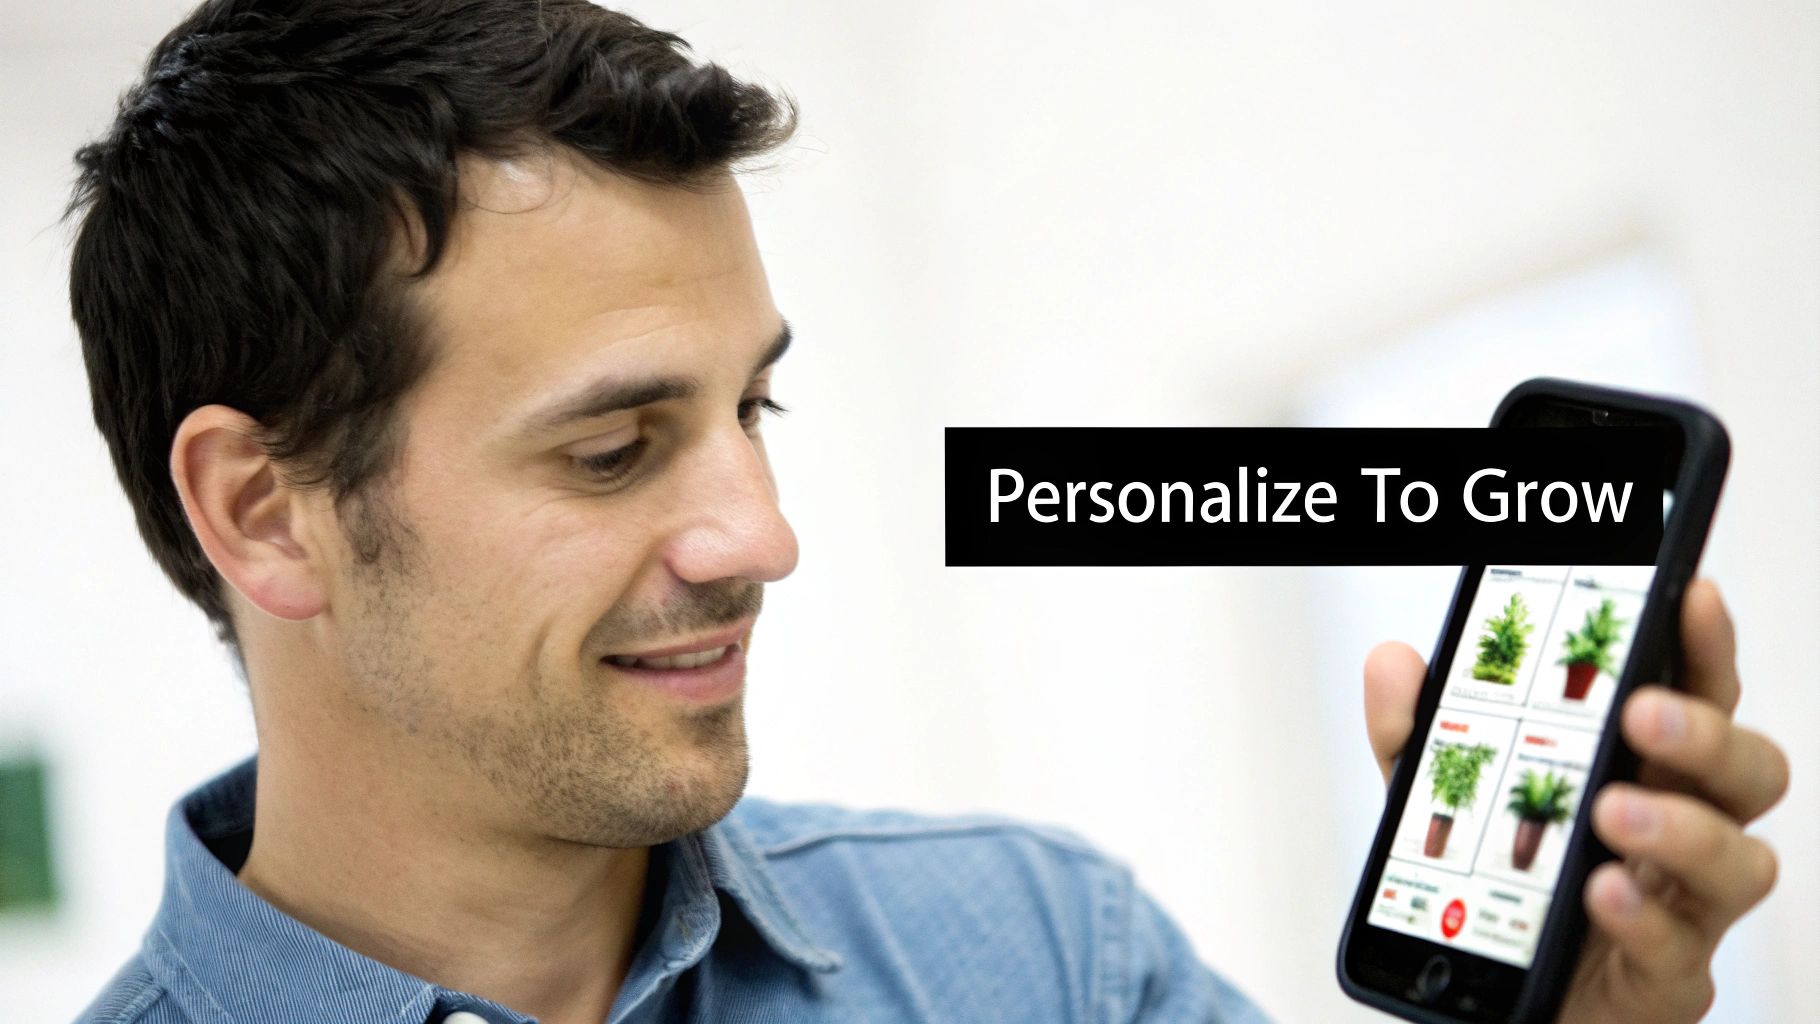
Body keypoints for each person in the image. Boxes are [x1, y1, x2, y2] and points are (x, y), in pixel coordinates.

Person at [64, 2, 1786, 1022]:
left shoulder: (1046, 956)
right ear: (265, 512)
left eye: (757, 407)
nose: (763, 534)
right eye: (611, 451)